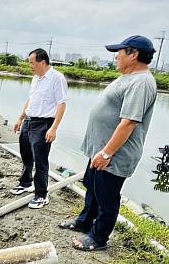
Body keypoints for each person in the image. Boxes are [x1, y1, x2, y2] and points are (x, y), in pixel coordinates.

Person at [60, 35, 158, 251]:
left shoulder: (141, 82)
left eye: (120, 52)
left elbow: (129, 122)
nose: (116, 57)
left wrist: (106, 153)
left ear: (133, 54)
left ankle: (98, 238)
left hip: (114, 153)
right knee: (92, 189)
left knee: (107, 197)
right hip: (101, 148)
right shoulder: (127, 77)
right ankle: (84, 221)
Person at [11, 48, 68, 209]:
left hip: (44, 124)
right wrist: (20, 118)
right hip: (29, 121)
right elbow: (31, 99)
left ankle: (41, 194)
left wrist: (54, 128)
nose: (30, 66)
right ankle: (25, 183)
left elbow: (61, 104)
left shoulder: (57, 78)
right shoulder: (36, 78)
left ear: (42, 62)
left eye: (32, 63)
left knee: (41, 160)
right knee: (26, 154)